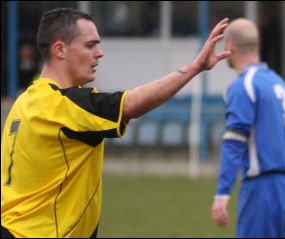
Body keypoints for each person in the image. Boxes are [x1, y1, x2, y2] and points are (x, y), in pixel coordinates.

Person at [0, 8, 230, 238]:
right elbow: (131, 105)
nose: (100, 53)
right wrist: (195, 66)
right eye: (90, 45)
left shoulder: (23, 103)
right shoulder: (62, 105)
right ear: (60, 49)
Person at [210, 18, 285, 238]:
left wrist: (223, 191)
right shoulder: (278, 82)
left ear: (230, 47)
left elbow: (234, 140)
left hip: (265, 187)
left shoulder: (243, 86)